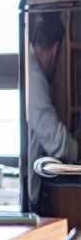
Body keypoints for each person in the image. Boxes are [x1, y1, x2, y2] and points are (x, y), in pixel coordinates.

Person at [27, 13, 79, 207]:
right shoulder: (33, 75)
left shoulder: (29, 68)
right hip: (27, 199)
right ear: (56, 49)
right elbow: (56, 143)